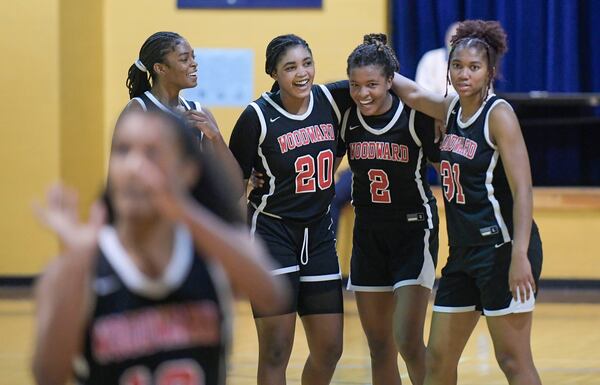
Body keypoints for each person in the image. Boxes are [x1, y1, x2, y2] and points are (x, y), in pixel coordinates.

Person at [32, 110, 287, 385]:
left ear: (187, 171)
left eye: (151, 153)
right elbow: (48, 375)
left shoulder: (209, 253)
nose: (134, 167)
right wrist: (76, 264)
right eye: (122, 151)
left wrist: (184, 209)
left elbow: (272, 295)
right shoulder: (80, 264)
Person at [392, 20, 543, 385]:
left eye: (473, 67)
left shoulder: (499, 116)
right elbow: (412, 95)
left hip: (502, 249)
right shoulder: (451, 110)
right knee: (438, 358)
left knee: (512, 359)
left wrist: (519, 254)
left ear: (490, 71)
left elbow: (523, 190)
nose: (464, 74)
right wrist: (382, 60)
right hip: (462, 253)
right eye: (457, 66)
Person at [229, 34, 354, 385]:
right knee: (276, 349)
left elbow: (383, 76)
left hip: (318, 235)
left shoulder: (332, 99)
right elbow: (233, 184)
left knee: (330, 348)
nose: (302, 73)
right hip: (272, 233)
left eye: (307, 63)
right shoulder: (256, 116)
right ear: (273, 73)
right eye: (290, 67)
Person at [338, 34, 439, 385]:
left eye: (372, 85)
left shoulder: (415, 116)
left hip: (413, 231)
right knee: (379, 347)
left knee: (408, 340)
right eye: (355, 85)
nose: (363, 93)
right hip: (368, 234)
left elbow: (449, 164)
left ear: (390, 82)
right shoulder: (347, 116)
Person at [125, 31, 243, 197]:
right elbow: (124, 177)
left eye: (193, 57)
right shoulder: (139, 109)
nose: (194, 64)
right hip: (154, 215)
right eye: (184, 59)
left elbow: (235, 188)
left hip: (191, 216)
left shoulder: (200, 113)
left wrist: (215, 137)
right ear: (160, 68)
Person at [415, 22, 459, 95]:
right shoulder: (430, 59)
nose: (456, 44)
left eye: (460, 40)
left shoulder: (472, 62)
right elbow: (422, 91)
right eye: (453, 39)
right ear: (446, 39)